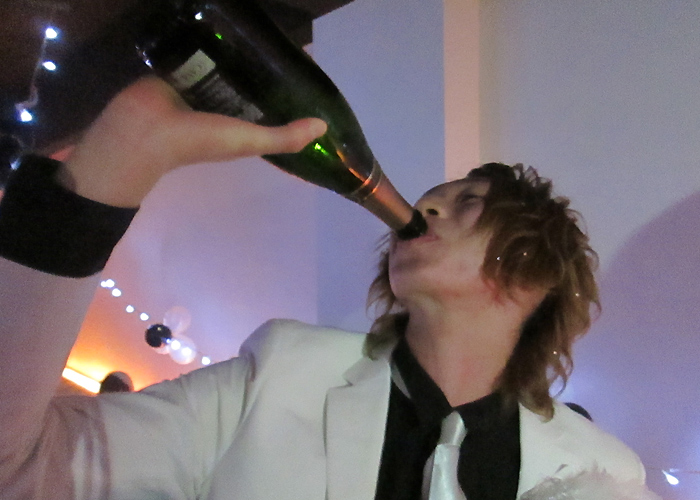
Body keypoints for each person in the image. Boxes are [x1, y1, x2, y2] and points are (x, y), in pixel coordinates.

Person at [0, 77, 658, 500]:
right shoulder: (274, 377)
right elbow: (19, 468)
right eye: (433, 197)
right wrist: (104, 180)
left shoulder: (607, 477)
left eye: (469, 205)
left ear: (535, 272)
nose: (425, 207)